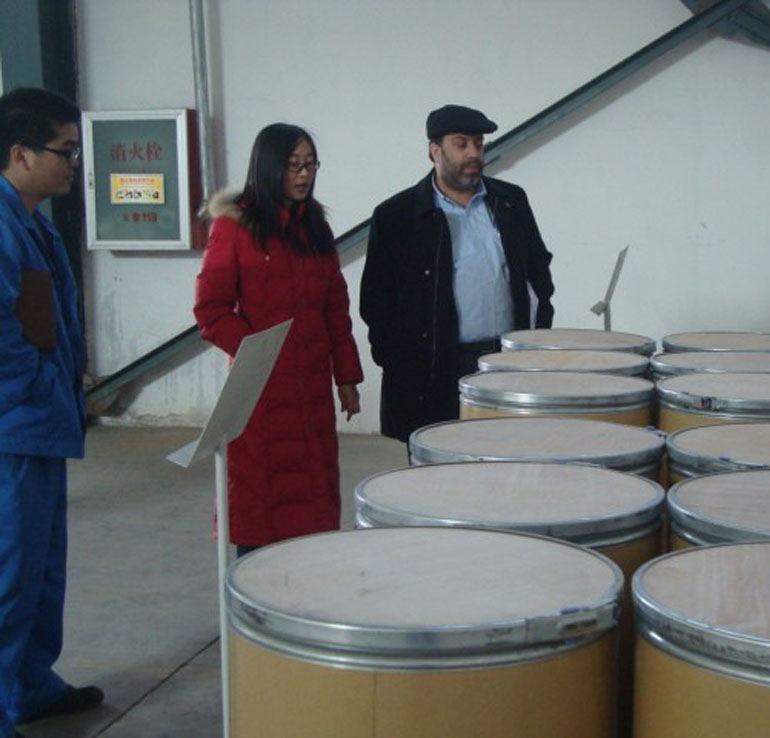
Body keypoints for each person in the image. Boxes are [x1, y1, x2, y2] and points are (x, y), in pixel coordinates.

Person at [194, 124, 363, 557]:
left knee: (313, 497)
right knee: (259, 498)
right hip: (258, 393)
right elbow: (210, 309)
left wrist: (346, 377)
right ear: (269, 168)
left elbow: (334, 307)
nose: (304, 175)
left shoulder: (315, 228)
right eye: (293, 166)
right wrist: (259, 352)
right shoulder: (234, 227)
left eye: (310, 165)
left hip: (311, 390)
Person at [0, 88, 103, 738]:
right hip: (14, 431)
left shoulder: (32, 223)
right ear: (20, 154)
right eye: (65, 151)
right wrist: (37, 389)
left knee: (41, 570)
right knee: (9, 574)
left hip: (42, 424)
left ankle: (30, 688)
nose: (73, 164)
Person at [360, 104, 554, 442]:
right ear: (435, 151)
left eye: (478, 143)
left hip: (507, 361)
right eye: (461, 144)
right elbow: (377, 301)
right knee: (439, 465)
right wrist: (399, 362)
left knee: (508, 455)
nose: (473, 153)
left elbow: (538, 272)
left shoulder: (510, 202)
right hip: (436, 372)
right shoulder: (397, 216)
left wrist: (535, 340)